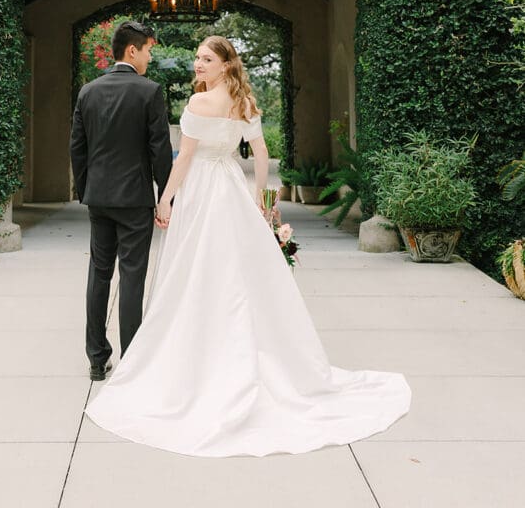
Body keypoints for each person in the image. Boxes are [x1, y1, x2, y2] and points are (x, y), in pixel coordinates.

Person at [85, 35, 411, 457]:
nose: (197, 65)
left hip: (202, 195)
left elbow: (184, 160)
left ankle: (201, 358)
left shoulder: (198, 105)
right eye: (197, 58)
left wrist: (165, 198)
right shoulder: (245, 104)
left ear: (224, 65)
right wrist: (260, 198)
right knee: (238, 274)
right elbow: (260, 152)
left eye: (205, 59)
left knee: (197, 273)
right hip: (232, 193)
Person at [70, 20, 172, 382]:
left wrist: (87, 191)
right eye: (147, 50)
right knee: (132, 277)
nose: (149, 57)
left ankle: (97, 358)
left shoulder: (88, 92)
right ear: (133, 50)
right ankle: (131, 360)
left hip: (99, 199)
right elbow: (160, 151)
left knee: (99, 273)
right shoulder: (149, 92)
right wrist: (165, 197)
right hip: (134, 200)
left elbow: (77, 150)